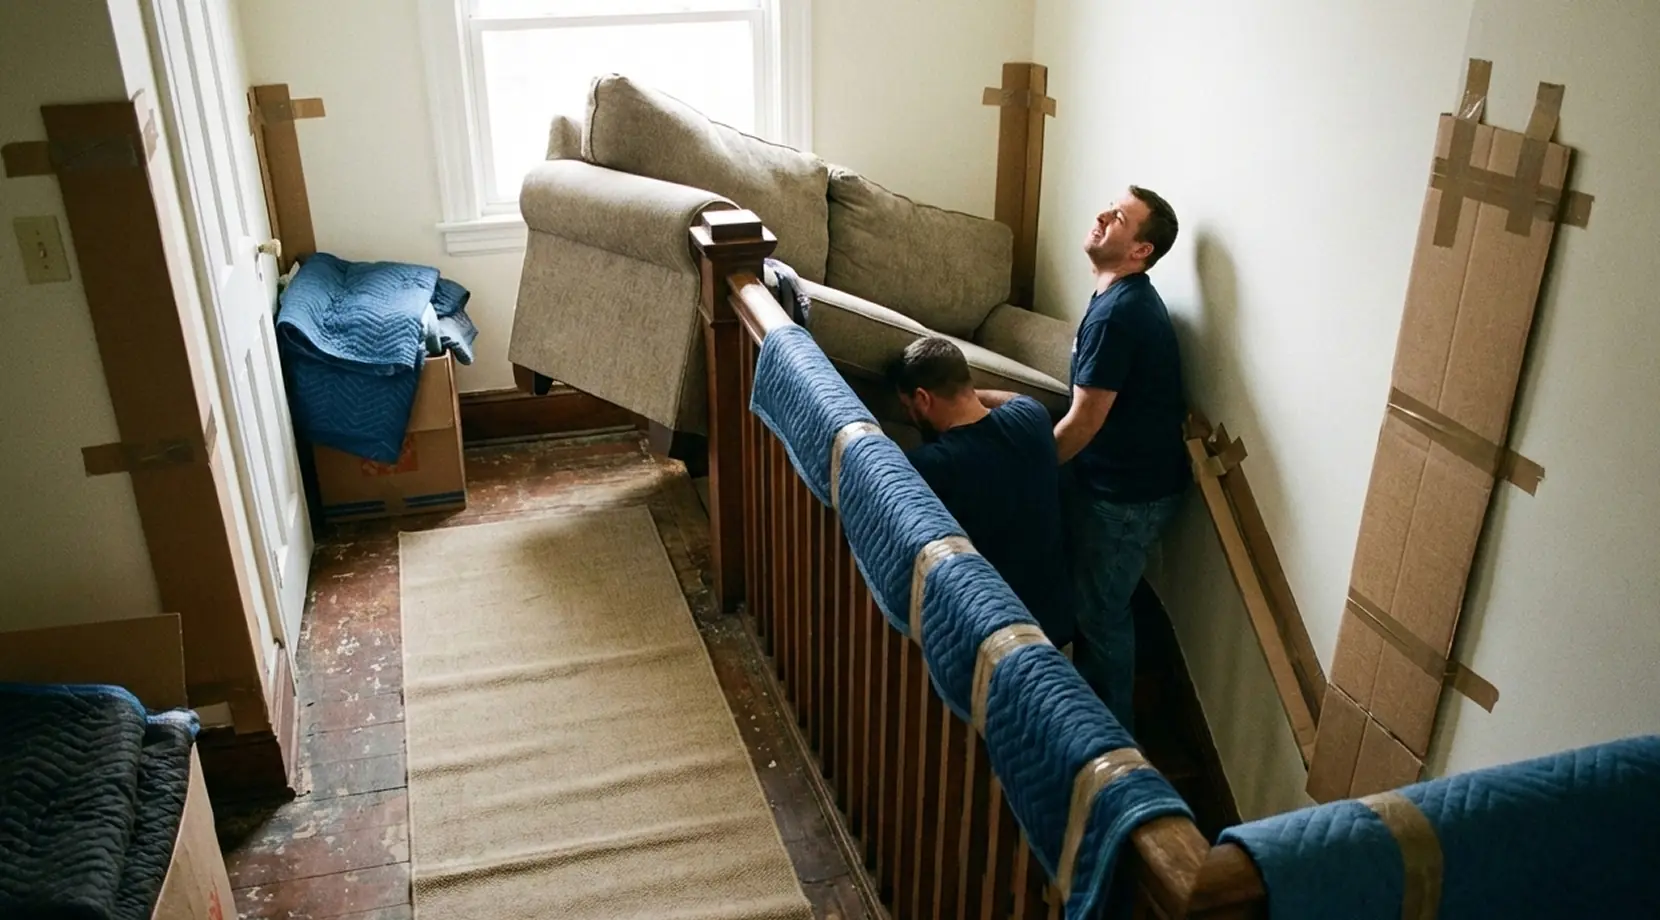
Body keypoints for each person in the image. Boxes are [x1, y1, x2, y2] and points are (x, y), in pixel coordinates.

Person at [983, 185, 1189, 733]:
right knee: (1089, 603)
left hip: (1127, 500)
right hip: (1110, 484)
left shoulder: (1119, 315)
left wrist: (1023, 476)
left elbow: (1082, 423)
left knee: (1101, 617)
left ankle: (1106, 745)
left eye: (1119, 218)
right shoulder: (1116, 299)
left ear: (1140, 250)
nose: (1102, 215)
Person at [888, 338, 1072, 645]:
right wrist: (966, 397)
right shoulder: (1033, 418)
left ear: (923, 397)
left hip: (996, 631)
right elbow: (1016, 398)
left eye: (909, 407)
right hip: (1056, 621)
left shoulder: (933, 465)